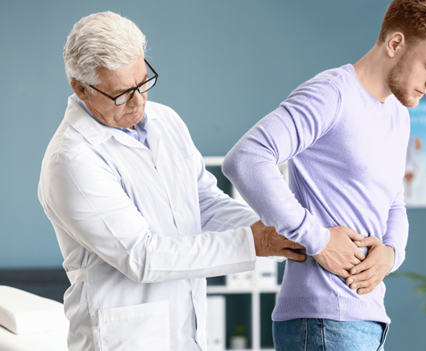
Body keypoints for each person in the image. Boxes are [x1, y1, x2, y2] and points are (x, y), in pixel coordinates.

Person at [222, 0, 426, 349]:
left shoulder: (398, 114)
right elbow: (246, 159)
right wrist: (317, 238)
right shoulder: (332, 94)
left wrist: (391, 254)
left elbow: (394, 200)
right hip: (322, 320)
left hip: (366, 319)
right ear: (395, 43)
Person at [38, 11, 305, 351]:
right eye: (121, 93)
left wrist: (278, 230)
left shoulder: (165, 121)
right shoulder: (72, 160)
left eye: (142, 82)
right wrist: (255, 242)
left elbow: (204, 203)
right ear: (81, 89)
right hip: (127, 339)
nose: (138, 102)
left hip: (187, 332)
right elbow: (142, 255)